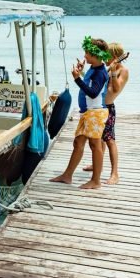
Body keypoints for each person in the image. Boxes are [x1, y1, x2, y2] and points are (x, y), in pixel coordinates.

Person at [50, 36, 111, 189]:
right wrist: (82, 73)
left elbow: (93, 92)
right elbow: (90, 83)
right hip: (88, 113)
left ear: (96, 55)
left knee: (95, 145)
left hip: (96, 113)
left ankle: (96, 181)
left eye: (87, 54)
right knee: (78, 143)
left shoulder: (101, 72)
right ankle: (67, 175)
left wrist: (77, 79)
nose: (84, 56)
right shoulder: (94, 68)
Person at [83, 42, 129, 184]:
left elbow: (116, 88)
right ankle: (98, 165)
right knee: (98, 139)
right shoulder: (108, 68)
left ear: (114, 56)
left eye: (106, 55)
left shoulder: (123, 70)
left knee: (109, 140)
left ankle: (115, 173)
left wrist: (114, 72)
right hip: (99, 107)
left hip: (109, 107)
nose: (104, 58)